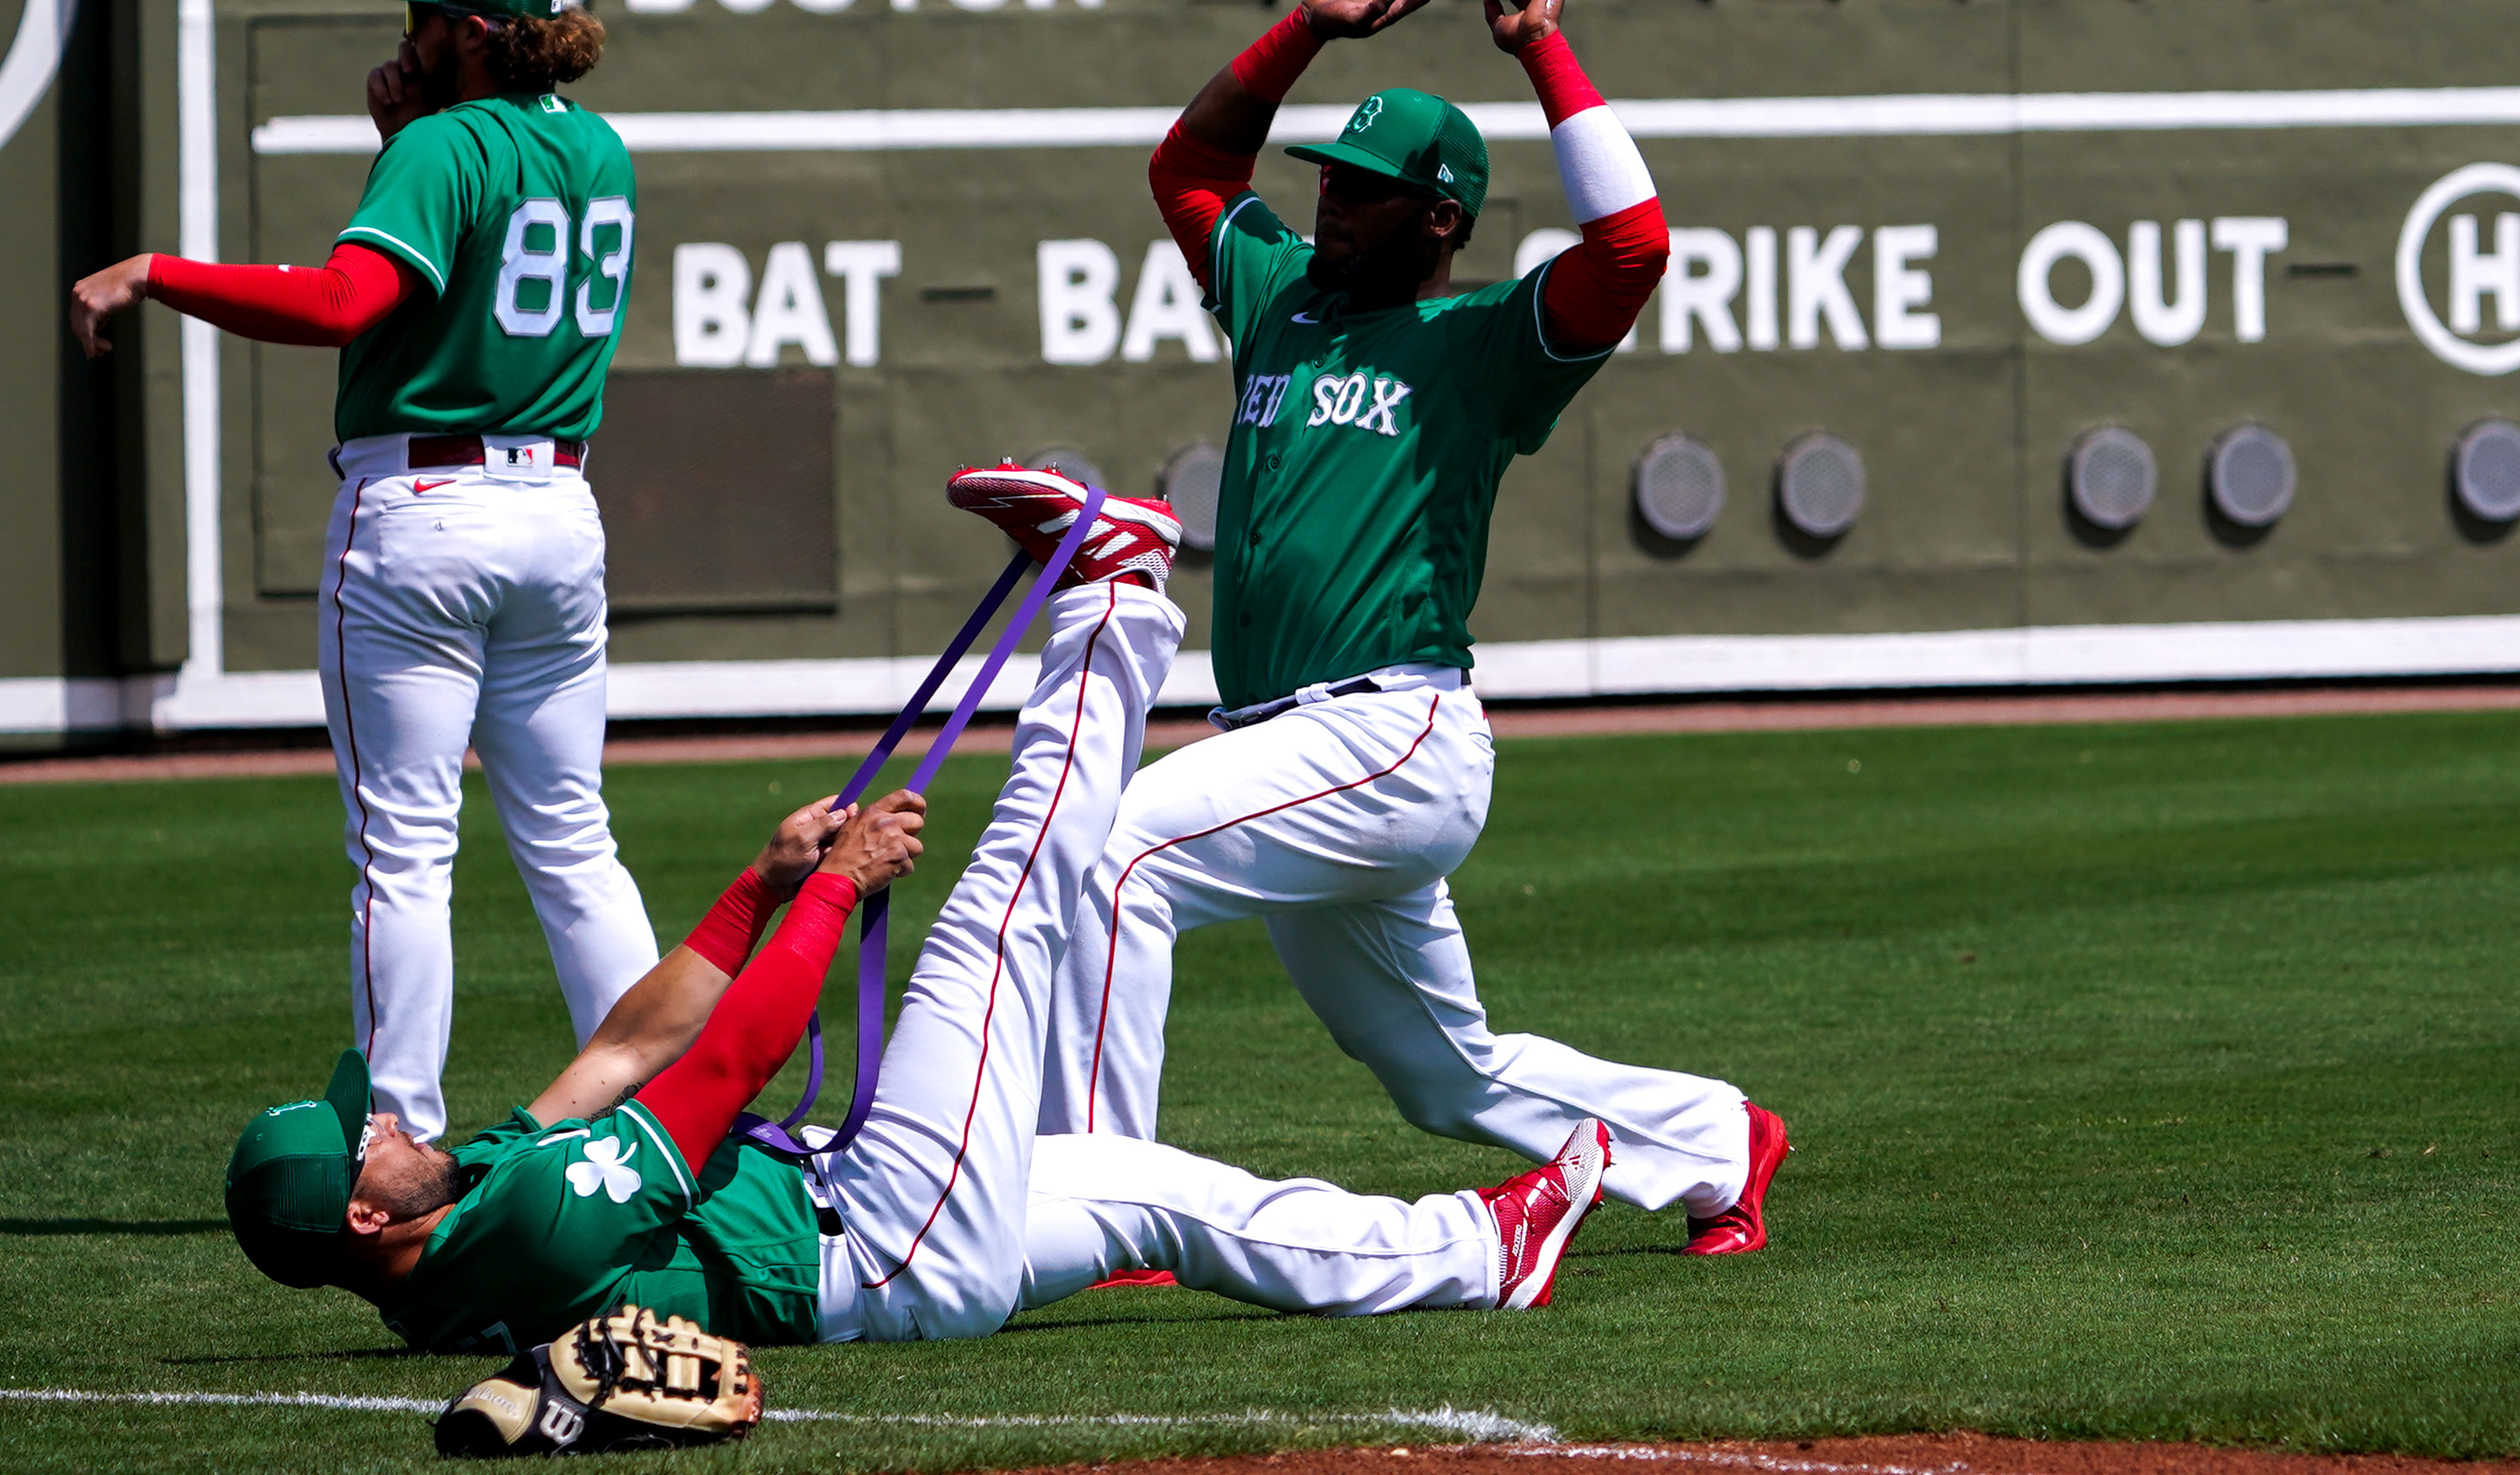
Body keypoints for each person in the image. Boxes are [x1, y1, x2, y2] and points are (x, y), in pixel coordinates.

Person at [219, 474, 1613, 1350]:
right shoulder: (520, 1231)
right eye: (371, 1132)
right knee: (992, 922)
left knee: (1175, 1202)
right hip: (880, 1236)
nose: (394, 1116)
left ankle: (1482, 1252)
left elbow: (623, 1052)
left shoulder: (467, 1218)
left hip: (887, 1228)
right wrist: (831, 892)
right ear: (358, 1216)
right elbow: (716, 1073)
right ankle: (1118, 604)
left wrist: (755, 891)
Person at [1018, 0, 1787, 1254]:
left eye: (1368, 194)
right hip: (1282, 743)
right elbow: (1190, 172)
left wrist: (1541, 51)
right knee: (1444, 1076)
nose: (1332, 207)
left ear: (1438, 220)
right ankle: (1716, 1142)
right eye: (1332, 180)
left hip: (1393, 730)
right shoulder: (1279, 300)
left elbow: (1634, 247)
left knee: (1118, 852)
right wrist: (1306, 30)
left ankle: (1098, 1214)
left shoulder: (1481, 345)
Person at [70, 0, 656, 1141]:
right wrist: (409, 138)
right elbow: (469, 270)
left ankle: (399, 1140)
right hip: (559, 509)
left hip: (427, 515)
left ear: (476, 33)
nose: (406, 36)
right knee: (571, 839)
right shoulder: (602, 149)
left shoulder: (443, 150)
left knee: (406, 853)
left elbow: (348, 303)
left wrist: (157, 274)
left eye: (423, 18)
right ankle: (661, 1115)